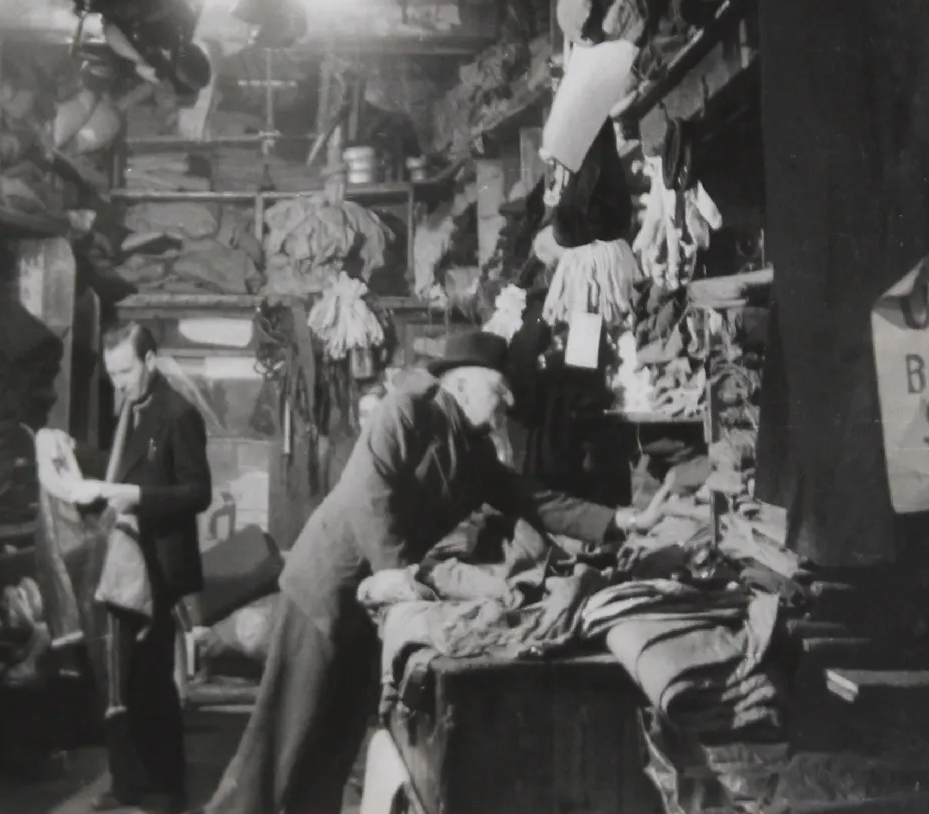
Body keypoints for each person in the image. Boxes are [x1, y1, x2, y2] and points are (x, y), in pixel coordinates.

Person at [199, 331, 672, 814]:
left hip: (376, 598)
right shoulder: (407, 409)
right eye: (500, 391)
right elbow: (371, 493)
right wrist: (397, 575)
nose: (507, 406)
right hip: (327, 583)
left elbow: (536, 499)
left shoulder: (476, 452)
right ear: (462, 385)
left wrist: (622, 521)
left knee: (336, 734)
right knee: (287, 728)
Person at [70, 322, 213, 814]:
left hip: (161, 567)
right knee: (125, 680)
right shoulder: (130, 408)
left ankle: (167, 788)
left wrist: (139, 497)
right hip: (128, 564)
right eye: (111, 374)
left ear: (150, 361)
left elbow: (198, 492)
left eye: (125, 371)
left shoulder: (178, 414)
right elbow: (122, 466)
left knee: (151, 682)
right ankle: (131, 783)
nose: (118, 383)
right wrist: (73, 456)